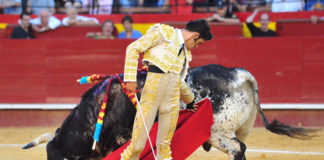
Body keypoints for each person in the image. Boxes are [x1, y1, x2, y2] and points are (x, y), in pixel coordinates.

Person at [121, 19, 213, 160]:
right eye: (198, 43)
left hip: (171, 101)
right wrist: (130, 79)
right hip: (151, 96)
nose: (196, 47)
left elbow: (178, 81)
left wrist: (190, 100)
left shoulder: (185, 54)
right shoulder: (163, 33)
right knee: (137, 146)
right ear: (194, 35)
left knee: (164, 146)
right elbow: (133, 48)